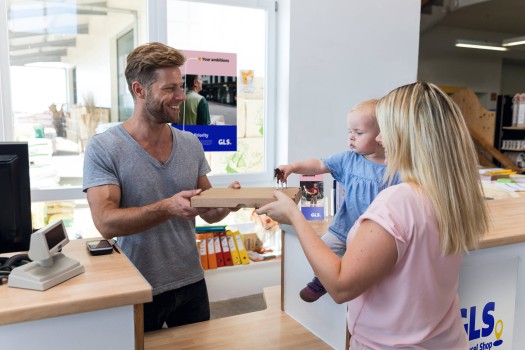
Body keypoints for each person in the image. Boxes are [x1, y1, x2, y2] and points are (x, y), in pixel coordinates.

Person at [257, 82, 489, 349]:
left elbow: (341, 287)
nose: (379, 139)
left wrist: (294, 217)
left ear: (409, 135)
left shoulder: (398, 201)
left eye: (386, 130)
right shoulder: (451, 194)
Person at [83, 42, 239, 332]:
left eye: (181, 86)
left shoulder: (191, 144)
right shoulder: (104, 147)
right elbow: (105, 223)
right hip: (137, 287)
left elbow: (208, 212)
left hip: (191, 281)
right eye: (170, 89)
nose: (181, 96)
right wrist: (168, 206)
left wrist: (227, 202)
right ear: (139, 90)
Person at [276, 99, 400, 303]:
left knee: (369, 266)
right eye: (349, 132)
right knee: (323, 250)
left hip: (375, 235)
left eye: (358, 133)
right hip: (344, 227)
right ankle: (322, 281)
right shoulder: (349, 159)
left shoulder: (396, 167)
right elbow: (319, 165)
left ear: (382, 134)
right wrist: (294, 166)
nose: (351, 138)